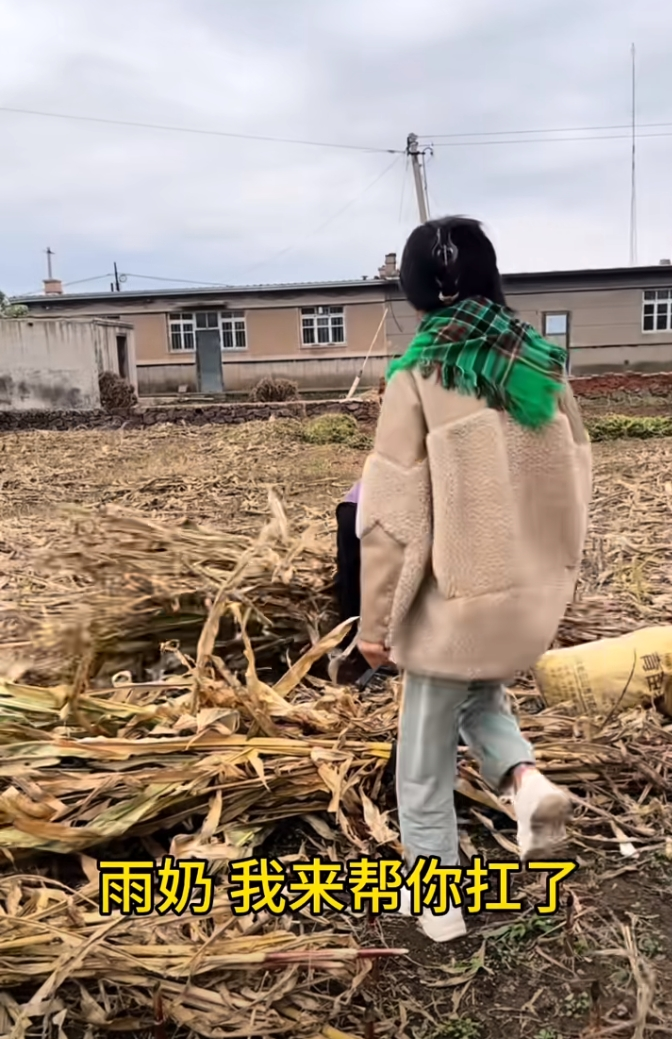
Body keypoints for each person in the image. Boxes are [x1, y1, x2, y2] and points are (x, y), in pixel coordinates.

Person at [356, 216, 592, 943]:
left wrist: (374, 624)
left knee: (422, 761)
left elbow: (394, 515)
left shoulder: (420, 372)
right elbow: (580, 474)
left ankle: (440, 905)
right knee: (480, 696)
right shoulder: (544, 365)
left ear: (419, 289)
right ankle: (526, 782)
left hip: (454, 605)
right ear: (490, 274)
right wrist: (554, 575)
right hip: (524, 601)